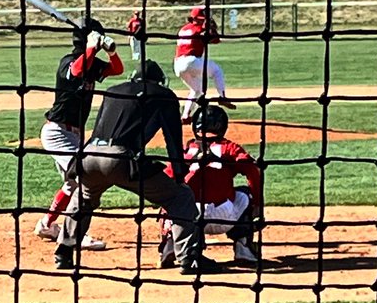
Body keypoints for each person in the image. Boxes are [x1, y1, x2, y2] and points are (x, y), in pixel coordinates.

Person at [55, 60, 226, 276]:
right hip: (121, 158)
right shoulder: (163, 94)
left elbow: (99, 129)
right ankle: (189, 259)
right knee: (180, 198)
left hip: (89, 157)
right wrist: (180, 175)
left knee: (84, 198)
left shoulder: (113, 91)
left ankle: (64, 251)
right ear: (158, 81)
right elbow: (172, 139)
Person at [33, 17, 125, 249]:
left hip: (74, 134)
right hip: (57, 132)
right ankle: (75, 234)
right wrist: (91, 48)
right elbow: (76, 72)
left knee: (72, 184)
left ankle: (47, 224)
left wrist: (111, 51)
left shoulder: (93, 64)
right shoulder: (69, 61)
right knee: (85, 177)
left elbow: (117, 69)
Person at [158, 105, 262, 267]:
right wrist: (257, 203)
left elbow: (166, 179)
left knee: (172, 199)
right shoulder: (229, 147)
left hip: (189, 218)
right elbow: (253, 171)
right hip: (225, 216)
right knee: (245, 194)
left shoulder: (185, 150)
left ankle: (170, 245)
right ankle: (243, 248)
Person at [173, 5, 233, 122]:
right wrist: (212, 30)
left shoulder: (184, 29)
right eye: (201, 18)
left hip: (178, 64)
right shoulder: (199, 29)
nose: (203, 20)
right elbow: (216, 40)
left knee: (197, 90)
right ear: (195, 18)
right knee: (217, 70)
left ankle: (185, 115)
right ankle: (223, 97)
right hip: (191, 60)